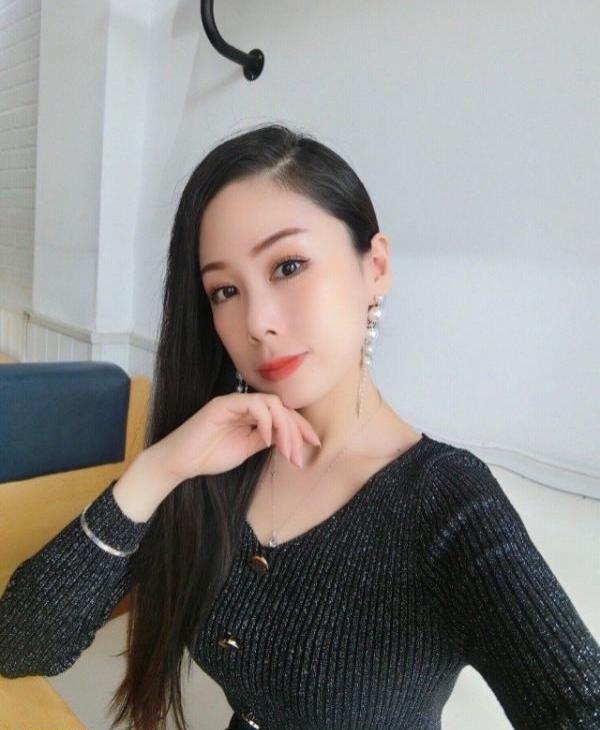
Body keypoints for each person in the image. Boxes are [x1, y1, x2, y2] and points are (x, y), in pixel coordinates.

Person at [1, 123, 599, 730]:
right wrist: (157, 471)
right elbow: (21, 645)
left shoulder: (447, 503)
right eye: (224, 290)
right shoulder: (216, 458)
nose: (257, 321)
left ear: (375, 267)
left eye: (288, 266)